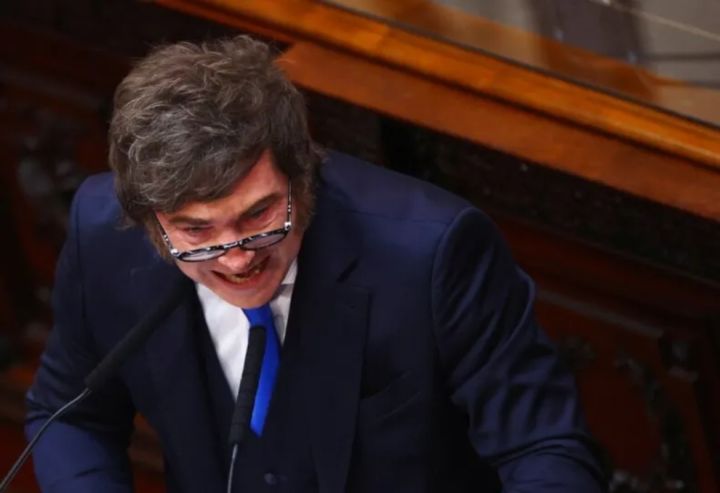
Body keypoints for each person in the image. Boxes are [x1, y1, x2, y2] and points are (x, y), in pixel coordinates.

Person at [26, 35, 605, 492]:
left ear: (302, 173)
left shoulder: (432, 254)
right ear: (149, 220)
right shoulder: (102, 235)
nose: (235, 257)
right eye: (196, 231)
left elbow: (545, 449)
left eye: (258, 215)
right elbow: (68, 414)